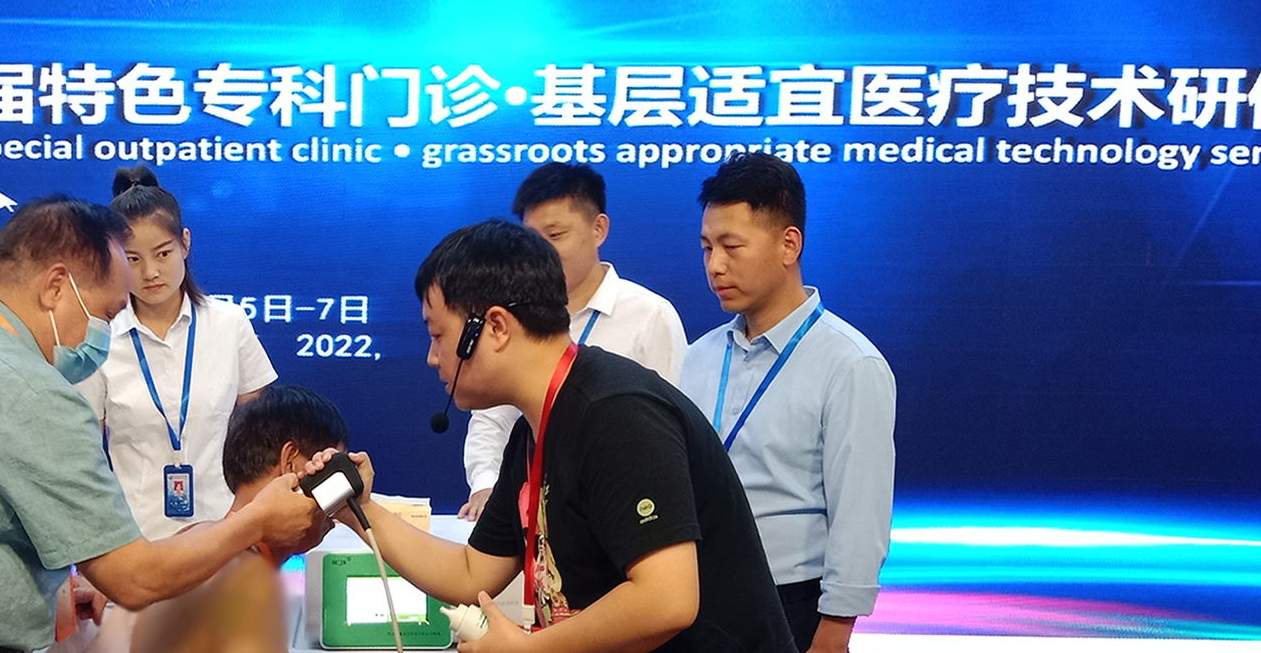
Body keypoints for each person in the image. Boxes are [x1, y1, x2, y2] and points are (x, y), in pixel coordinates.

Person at [0, 196, 323, 653]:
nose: (100, 337)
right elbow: (135, 581)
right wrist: (255, 522)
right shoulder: (30, 388)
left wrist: (40, 588)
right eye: (106, 314)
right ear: (55, 287)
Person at [309, 220, 794, 652]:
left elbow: (666, 600)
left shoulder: (616, 412)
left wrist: (530, 650)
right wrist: (361, 511)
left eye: (438, 335)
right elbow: (472, 572)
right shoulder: (535, 428)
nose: (433, 357)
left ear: (494, 327)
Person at [677, 152, 897, 653]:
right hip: (692, 600)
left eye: (732, 246)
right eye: (707, 247)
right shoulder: (697, 357)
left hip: (791, 604)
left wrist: (835, 630)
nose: (715, 265)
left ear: (789, 244)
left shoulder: (850, 364)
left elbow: (859, 515)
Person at [459, 163, 687, 521]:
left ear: (599, 229)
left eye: (555, 235)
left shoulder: (650, 316)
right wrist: (486, 486)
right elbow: (492, 419)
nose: (539, 254)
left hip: (618, 513)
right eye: (531, 239)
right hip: (526, 515)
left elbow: (668, 437)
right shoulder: (509, 317)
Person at [76, 165, 276, 541]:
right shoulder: (98, 338)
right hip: (134, 542)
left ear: (185, 243)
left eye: (163, 253)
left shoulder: (229, 323)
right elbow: (83, 455)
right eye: (133, 259)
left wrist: (248, 521)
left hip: (226, 534)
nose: (150, 272)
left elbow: (262, 440)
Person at [128, 384, 350, 653]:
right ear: (290, 463)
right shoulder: (244, 581)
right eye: (331, 474)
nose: (336, 503)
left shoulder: (198, 543)